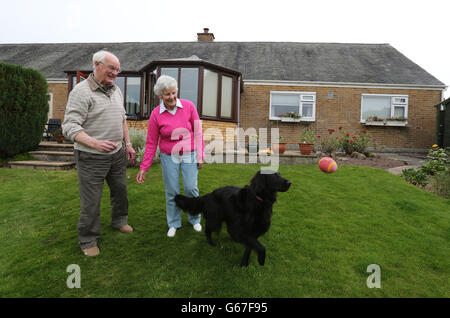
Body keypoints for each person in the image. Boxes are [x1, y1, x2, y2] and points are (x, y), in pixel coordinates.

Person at [62, 50, 136, 257]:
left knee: (120, 191)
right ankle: (87, 239)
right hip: (90, 157)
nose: (115, 73)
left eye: (117, 70)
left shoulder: (116, 90)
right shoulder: (81, 92)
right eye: (111, 68)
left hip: (117, 155)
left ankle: (120, 221)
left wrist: (128, 144)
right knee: (91, 201)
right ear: (97, 65)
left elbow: (122, 120)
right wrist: (94, 143)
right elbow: (69, 126)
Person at [136, 75, 204, 237]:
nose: (172, 97)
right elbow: (151, 142)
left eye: (174, 93)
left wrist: (200, 155)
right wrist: (144, 167)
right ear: (160, 96)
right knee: (171, 190)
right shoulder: (156, 114)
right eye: (167, 94)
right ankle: (173, 223)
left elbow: (198, 132)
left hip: (189, 153)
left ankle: (194, 219)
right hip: (169, 156)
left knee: (190, 188)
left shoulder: (188, 106)